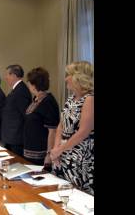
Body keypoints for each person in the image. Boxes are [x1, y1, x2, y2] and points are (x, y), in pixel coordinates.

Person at [51, 61, 94, 195]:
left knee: (79, 196)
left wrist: (60, 150)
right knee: (61, 193)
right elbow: (61, 125)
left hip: (81, 157)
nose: (65, 79)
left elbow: (83, 132)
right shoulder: (71, 98)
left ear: (78, 77)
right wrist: (56, 149)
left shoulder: (90, 99)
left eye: (68, 75)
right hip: (64, 153)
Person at [23, 67, 60, 168]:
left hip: (40, 154)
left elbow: (52, 131)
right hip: (29, 150)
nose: (28, 85)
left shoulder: (48, 102)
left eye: (29, 83)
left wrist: (48, 154)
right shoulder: (36, 99)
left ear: (34, 85)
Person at [1, 65, 32, 157]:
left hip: (16, 138)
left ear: (14, 75)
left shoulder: (21, 90)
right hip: (11, 137)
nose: (6, 77)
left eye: (7, 75)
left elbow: (25, 115)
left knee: (17, 165)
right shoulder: (16, 89)